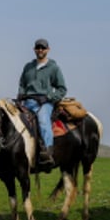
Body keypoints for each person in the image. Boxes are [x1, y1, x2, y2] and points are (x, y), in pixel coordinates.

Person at [17, 38, 67, 173]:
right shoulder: (28, 67)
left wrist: (50, 98)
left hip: (45, 102)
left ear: (48, 50)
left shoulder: (54, 68)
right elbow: (22, 84)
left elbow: (62, 89)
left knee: (43, 121)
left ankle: (48, 153)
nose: (40, 50)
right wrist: (20, 96)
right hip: (27, 101)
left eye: (43, 48)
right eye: (38, 47)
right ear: (34, 49)